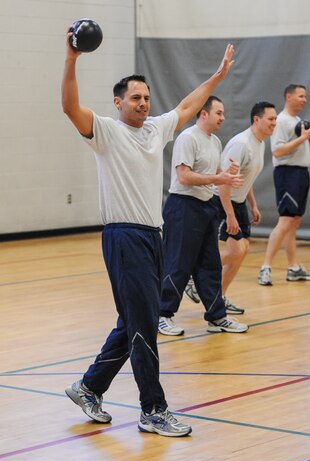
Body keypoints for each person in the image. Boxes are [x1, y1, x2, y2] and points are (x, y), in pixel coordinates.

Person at [62, 27, 235, 437]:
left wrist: (217, 78)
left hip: (151, 237)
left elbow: (189, 104)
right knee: (145, 323)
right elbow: (70, 107)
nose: (143, 103)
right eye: (135, 98)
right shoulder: (105, 130)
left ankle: (89, 386)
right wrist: (71, 58)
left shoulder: (157, 128)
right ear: (118, 102)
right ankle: (152, 410)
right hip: (123, 237)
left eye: (146, 97)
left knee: (134, 320)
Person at [158, 96, 248, 337]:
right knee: (178, 263)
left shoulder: (215, 141)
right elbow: (185, 176)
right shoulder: (187, 138)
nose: (223, 118)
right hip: (183, 207)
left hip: (206, 207)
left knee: (210, 265)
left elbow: (212, 173)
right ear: (204, 114)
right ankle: (162, 314)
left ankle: (216, 316)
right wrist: (219, 179)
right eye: (219, 113)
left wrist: (226, 173)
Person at [214, 102, 277, 312]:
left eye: (275, 119)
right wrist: (230, 216)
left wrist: (253, 204)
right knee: (238, 250)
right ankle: (194, 272)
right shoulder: (241, 144)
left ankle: (218, 298)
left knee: (243, 250)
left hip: (239, 202)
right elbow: (224, 183)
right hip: (222, 202)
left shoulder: (260, 142)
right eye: (271, 119)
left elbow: (243, 179)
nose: (274, 123)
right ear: (257, 120)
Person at [258, 85, 310, 285]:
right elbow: (277, 152)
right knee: (286, 220)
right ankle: (265, 267)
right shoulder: (280, 121)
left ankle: (293, 267)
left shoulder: (297, 122)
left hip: (301, 173)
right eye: (300, 96)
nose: (304, 99)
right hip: (287, 174)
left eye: (305, 96)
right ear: (288, 97)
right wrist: (303, 139)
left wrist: (306, 139)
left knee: (294, 222)